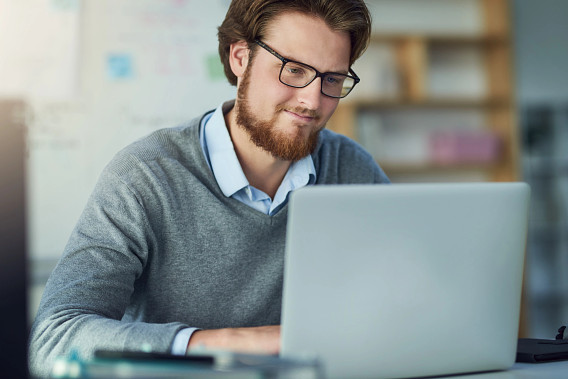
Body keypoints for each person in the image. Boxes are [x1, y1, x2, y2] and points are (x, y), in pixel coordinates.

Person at [28, 0, 390, 376]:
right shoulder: (145, 177)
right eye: (293, 70)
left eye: (332, 79)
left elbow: (413, 302)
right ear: (239, 57)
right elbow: (54, 341)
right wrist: (226, 344)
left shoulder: (351, 170)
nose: (312, 100)